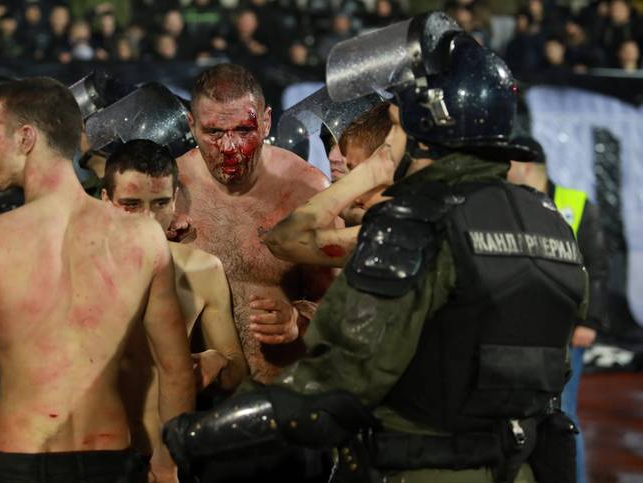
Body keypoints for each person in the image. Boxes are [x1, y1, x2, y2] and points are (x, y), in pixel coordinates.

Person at [165, 26, 588, 483]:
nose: (391, 132)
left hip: (431, 466)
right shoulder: (546, 219)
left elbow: (337, 380)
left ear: (425, 125)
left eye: (398, 121)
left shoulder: (414, 224)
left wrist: (197, 436)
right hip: (521, 464)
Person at [0, 78, 195, 483]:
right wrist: (165, 463)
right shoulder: (141, 236)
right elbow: (175, 369)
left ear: (26, 138)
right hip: (108, 461)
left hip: (18, 460)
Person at [175, 63, 335, 385]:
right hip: (200, 396)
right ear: (192, 126)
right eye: (214, 133)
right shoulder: (169, 191)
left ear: (266, 122)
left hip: (284, 392)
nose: (230, 149)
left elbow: (341, 303)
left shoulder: (306, 191)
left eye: (244, 130)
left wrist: (298, 320)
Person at [102, 138, 248, 460]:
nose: (147, 219)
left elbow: (237, 371)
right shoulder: (76, 269)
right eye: (131, 204)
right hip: (92, 458)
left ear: (175, 200)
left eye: (159, 204)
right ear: (106, 200)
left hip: (167, 457)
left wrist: (217, 361)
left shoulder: (203, 270)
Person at [507, 135, 609, 483]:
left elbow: (595, 267)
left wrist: (589, 320)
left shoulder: (575, 204)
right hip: (525, 328)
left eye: (508, 165)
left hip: (566, 328)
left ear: (523, 166)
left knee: (563, 415)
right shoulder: (509, 204)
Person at [264, 103, 401, 268]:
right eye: (330, 144)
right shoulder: (388, 220)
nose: (332, 157)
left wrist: (367, 173)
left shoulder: (395, 233)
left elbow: (282, 240)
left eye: (352, 166)